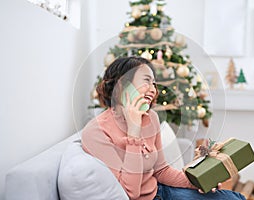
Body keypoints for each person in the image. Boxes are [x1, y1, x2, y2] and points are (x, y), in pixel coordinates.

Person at [81, 56, 245, 200]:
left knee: (236, 197)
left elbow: (161, 170)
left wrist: (196, 183)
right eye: (146, 81)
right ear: (123, 85)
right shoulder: (96, 131)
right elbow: (130, 193)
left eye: (154, 83)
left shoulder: (150, 117)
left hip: (161, 191)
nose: (153, 89)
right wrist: (134, 132)